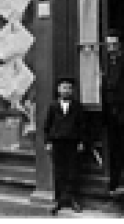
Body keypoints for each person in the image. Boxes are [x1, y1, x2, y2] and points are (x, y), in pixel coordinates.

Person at [44, 75, 86, 213]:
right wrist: (48, 141)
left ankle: (73, 198)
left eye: (69, 88)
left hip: (72, 143)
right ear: (58, 90)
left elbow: (82, 126)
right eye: (64, 87)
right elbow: (47, 126)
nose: (67, 90)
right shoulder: (53, 106)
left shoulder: (77, 106)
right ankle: (59, 200)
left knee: (72, 171)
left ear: (72, 90)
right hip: (57, 142)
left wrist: (81, 141)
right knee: (59, 171)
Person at [102, 30, 124, 196]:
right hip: (109, 112)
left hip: (123, 111)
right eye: (108, 45)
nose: (111, 48)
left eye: (114, 44)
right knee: (113, 148)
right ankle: (113, 182)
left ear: (120, 45)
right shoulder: (105, 61)